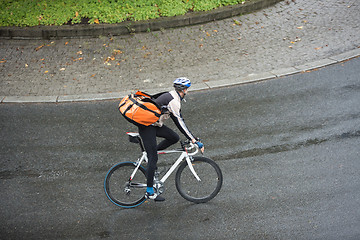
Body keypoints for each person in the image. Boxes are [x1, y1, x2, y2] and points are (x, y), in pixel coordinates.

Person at [139, 77, 204, 202]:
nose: (188, 92)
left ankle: (151, 153)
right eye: (187, 89)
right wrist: (194, 140)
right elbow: (180, 123)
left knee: (174, 137)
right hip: (147, 127)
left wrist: (192, 138)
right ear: (183, 90)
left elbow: (179, 119)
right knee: (153, 158)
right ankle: (149, 191)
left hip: (155, 124)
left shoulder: (173, 97)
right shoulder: (174, 101)